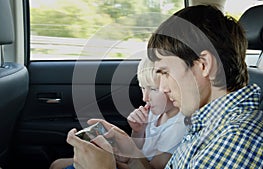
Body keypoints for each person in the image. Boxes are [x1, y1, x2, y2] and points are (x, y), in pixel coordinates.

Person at [66, 4, 263, 169]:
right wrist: (134, 153)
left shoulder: (236, 145)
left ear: (204, 65)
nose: (163, 88)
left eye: (165, 73)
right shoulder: (210, 124)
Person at [50, 58, 186, 169]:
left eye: (154, 90)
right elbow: (136, 147)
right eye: (142, 88)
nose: (145, 98)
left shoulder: (179, 126)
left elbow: (154, 167)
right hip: (133, 161)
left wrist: (111, 162)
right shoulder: (155, 112)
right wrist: (138, 130)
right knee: (56, 164)